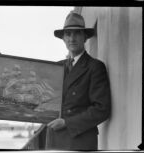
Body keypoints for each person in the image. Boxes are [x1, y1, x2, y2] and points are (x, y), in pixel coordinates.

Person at [46, 11, 111, 150]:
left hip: (80, 140)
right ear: (63, 38)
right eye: (68, 34)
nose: (72, 38)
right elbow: (30, 83)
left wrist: (67, 123)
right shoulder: (56, 67)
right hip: (54, 139)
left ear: (85, 37)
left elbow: (102, 109)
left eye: (77, 33)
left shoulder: (95, 67)